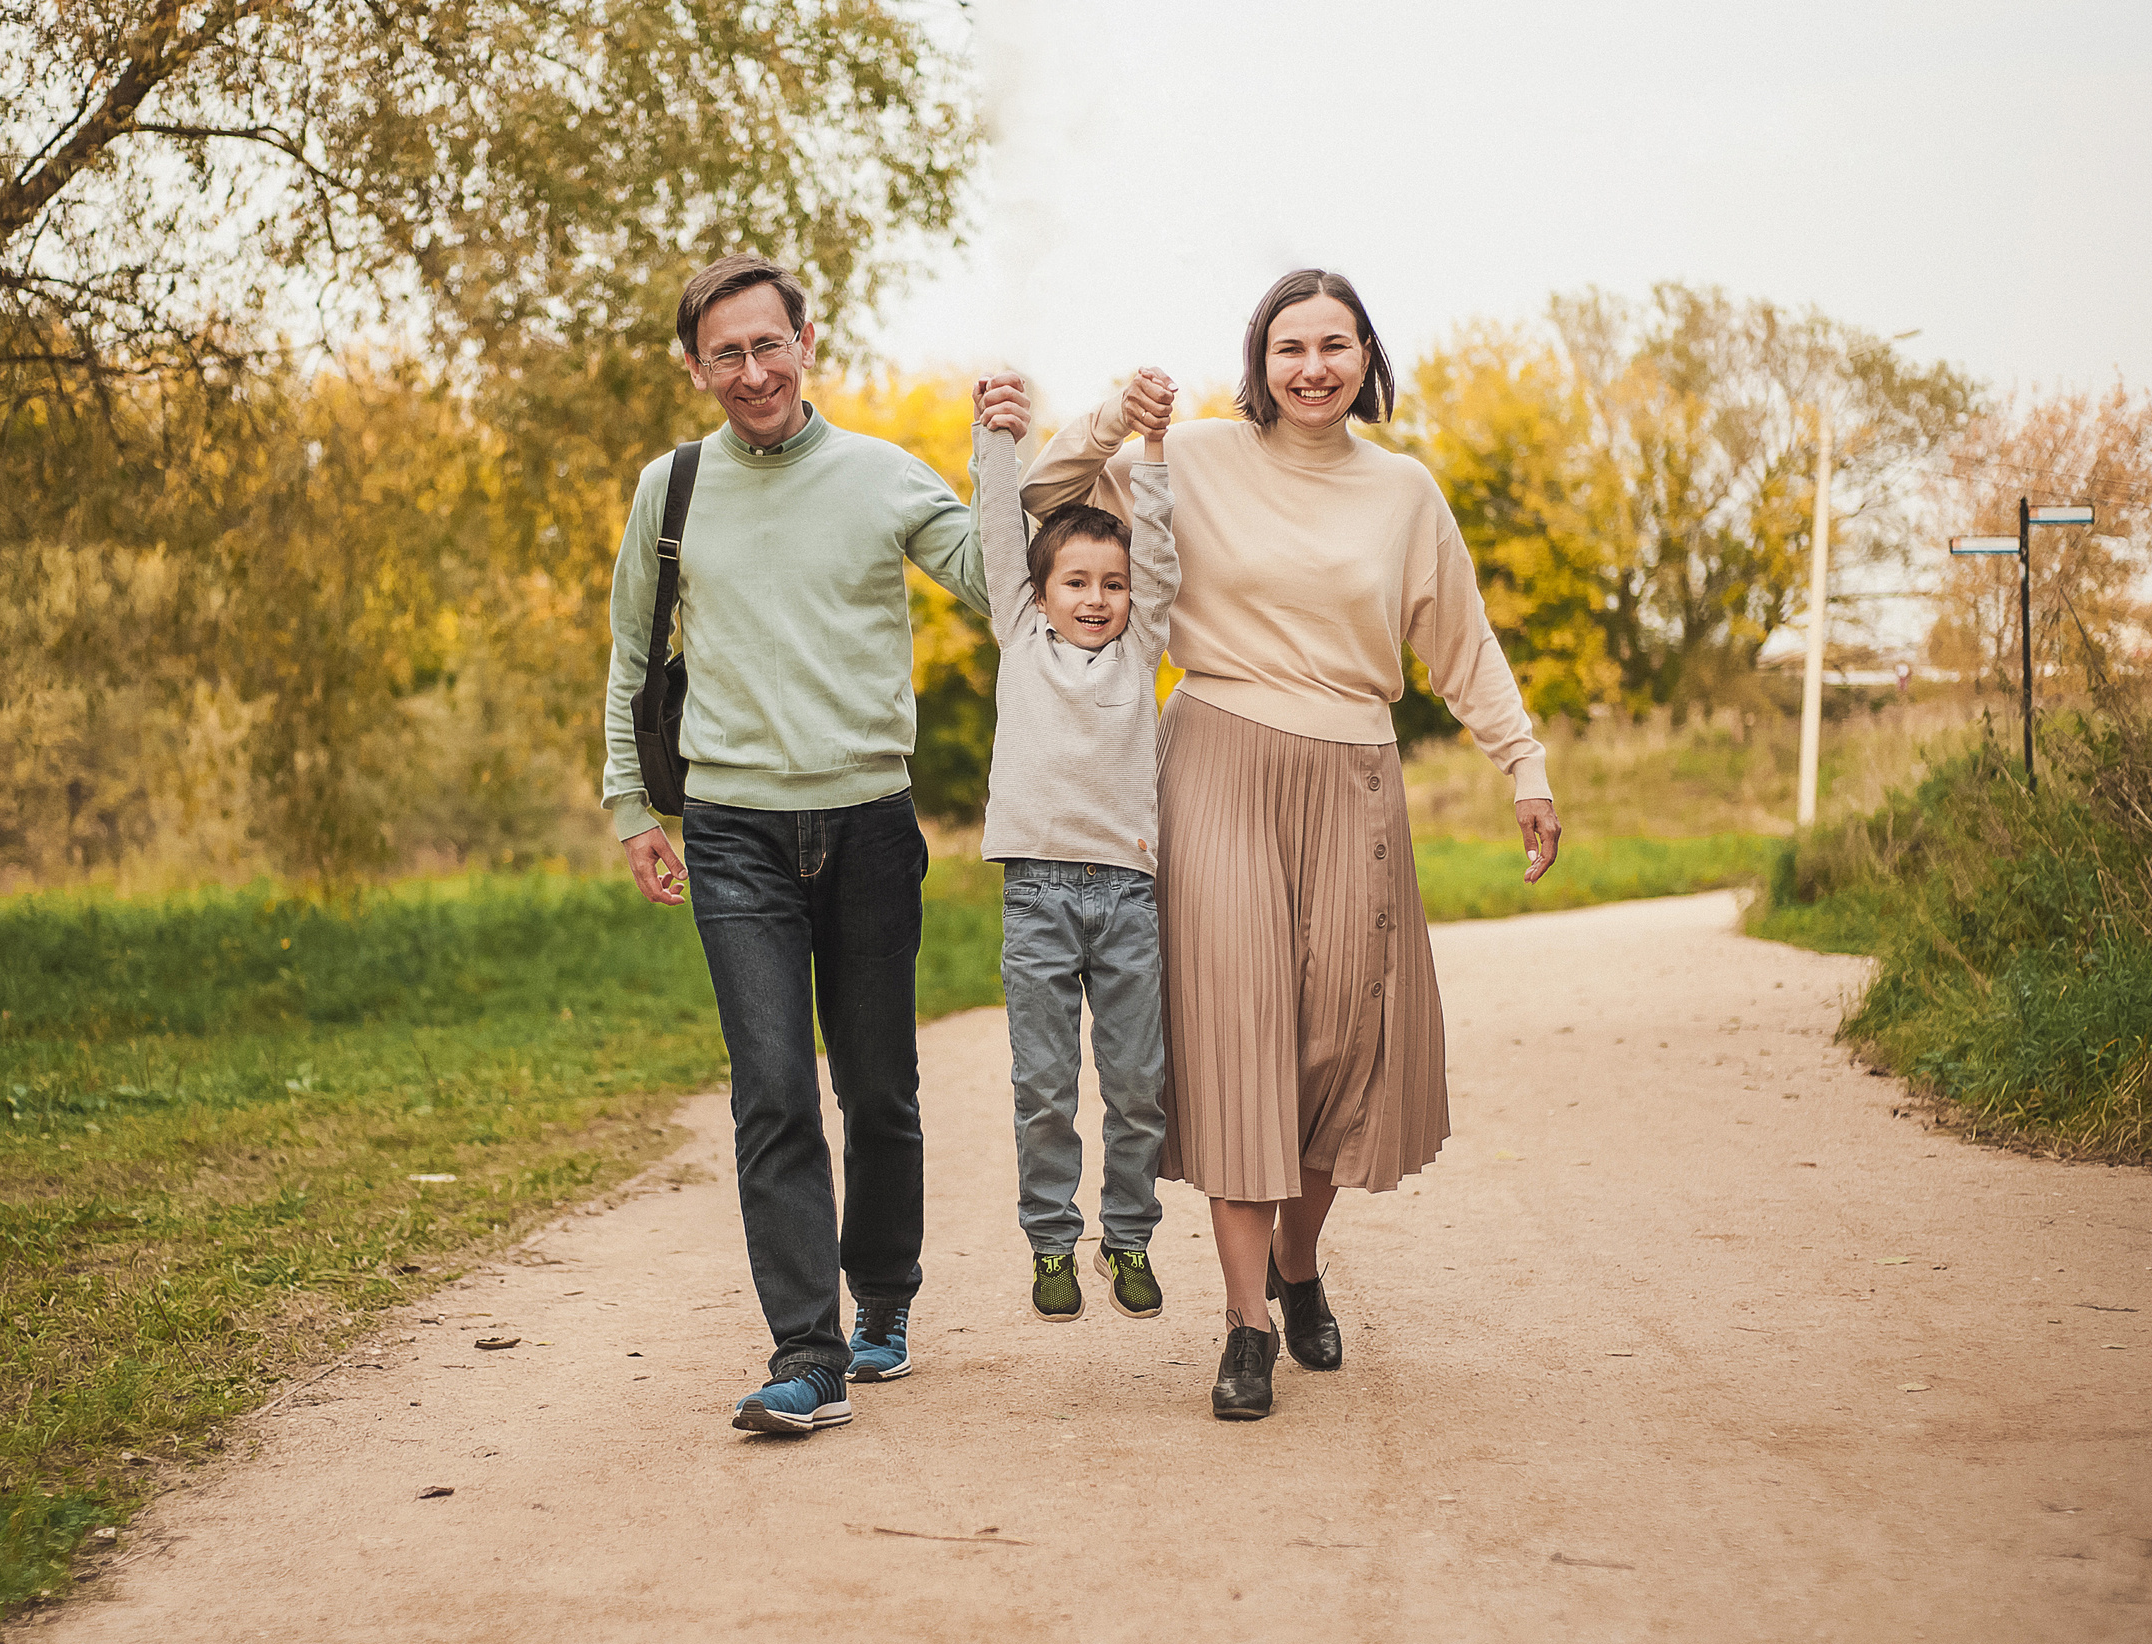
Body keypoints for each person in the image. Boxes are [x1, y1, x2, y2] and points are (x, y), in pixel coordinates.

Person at [1023, 269, 1565, 1420]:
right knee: (1239, 1037)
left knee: (1336, 1046)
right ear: (1258, 362)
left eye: (1334, 345)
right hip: (1213, 762)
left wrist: (1522, 763)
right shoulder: (1191, 457)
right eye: (1289, 347)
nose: (1311, 367)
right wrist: (1116, 415)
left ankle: (1297, 1261)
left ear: (1366, 359)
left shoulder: (1403, 491)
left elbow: (1460, 640)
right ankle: (1244, 1322)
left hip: (1355, 771)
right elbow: (1044, 495)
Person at [600, 255, 999, 1436]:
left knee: (877, 1087)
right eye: (724, 353)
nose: (751, 371)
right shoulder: (670, 489)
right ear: (694, 368)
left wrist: (999, 457)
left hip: (869, 823)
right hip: (732, 833)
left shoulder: (882, 475)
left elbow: (1000, 584)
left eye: (767, 344)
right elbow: (632, 657)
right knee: (771, 1089)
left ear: (806, 342)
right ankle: (806, 1355)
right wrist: (631, 808)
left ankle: (883, 1296)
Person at [973, 371, 1180, 1326]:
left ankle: (1127, 1237)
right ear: (1042, 591)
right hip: (1037, 895)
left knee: (1138, 1086)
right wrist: (996, 437)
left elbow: (1160, 555)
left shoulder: (1140, 650)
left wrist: (1154, 450)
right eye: (1077, 583)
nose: (1096, 599)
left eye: (1113, 585)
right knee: (1045, 1087)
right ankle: (1052, 1243)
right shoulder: (1020, 636)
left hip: (1128, 894)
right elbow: (998, 531)